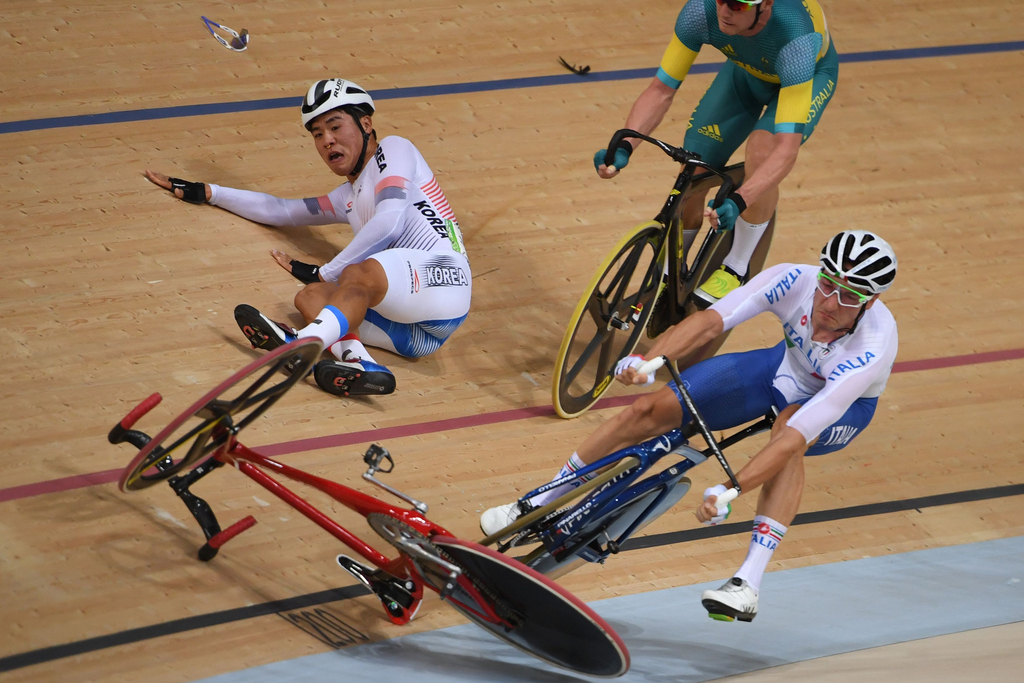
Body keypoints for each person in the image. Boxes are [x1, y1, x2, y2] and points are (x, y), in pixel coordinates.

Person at [481, 230, 898, 622]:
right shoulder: (794, 279)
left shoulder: (873, 347)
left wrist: (730, 489)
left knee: (788, 429)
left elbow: (794, 436)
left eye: (848, 295)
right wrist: (652, 361)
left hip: (843, 409)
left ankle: (747, 582)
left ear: (872, 301)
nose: (829, 302)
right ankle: (538, 503)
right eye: (828, 284)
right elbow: (713, 321)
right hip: (782, 368)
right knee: (647, 411)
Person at [145, 78, 471, 396]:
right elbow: (282, 211)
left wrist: (327, 270)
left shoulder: (394, 149)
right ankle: (363, 365)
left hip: (447, 279)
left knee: (355, 273)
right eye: (318, 134)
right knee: (311, 296)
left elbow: (389, 224)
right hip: (416, 334)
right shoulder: (348, 197)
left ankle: (304, 341)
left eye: (335, 126)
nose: (327, 140)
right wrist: (209, 192)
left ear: (366, 124)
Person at [595, 0, 839, 308]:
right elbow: (660, 90)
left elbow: (786, 150)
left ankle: (737, 266)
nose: (724, 10)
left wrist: (740, 199)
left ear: (764, 5)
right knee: (695, 165)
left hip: (807, 79)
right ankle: (674, 270)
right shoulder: (700, 12)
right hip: (746, 73)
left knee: (761, 153)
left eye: (737, 5)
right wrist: (626, 143)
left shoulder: (795, 37)